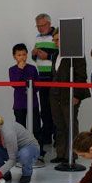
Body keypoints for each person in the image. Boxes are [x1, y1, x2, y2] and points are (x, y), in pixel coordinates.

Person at [49, 29, 90, 164]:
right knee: (59, 124)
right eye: (54, 40)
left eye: (58, 40)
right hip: (55, 95)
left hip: (70, 95)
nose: (55, 42)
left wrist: (77, 95)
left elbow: (81, 76)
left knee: (70, 124)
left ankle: (72, 155)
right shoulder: (55, 54)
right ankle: (61, 153)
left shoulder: (76, 54)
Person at [0, 114, 39, 183]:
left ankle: (27, 173)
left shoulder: (8, 132)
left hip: (30, 149)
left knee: (24, 154)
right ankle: (5, 175)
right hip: (12, 151)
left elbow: (13, 158)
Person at [8, 43, 41, 156]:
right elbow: (15, 84)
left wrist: (31, 90)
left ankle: (38, 152)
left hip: (33, 103)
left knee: (36, 128)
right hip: (19, 104)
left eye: (24, 54)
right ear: (14, 56)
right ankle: (22, 153)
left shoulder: (32, 68)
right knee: (20, 129)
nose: (22, 57)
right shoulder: (12, 70)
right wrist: (20, 69)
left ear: (27, 55)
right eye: (19, 55)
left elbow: (37, 85)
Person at [32, 13, 58, 152]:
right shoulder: (38, 37)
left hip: (54, 77)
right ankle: (46, 136)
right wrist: (34, 54)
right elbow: (35, 58)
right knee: (45, 109)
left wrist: (48, 56)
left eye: (42, 25)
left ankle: (58, 138)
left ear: (49, 23)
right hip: (41, 77)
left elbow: (61, 56)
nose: (40, 28)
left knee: (55, 109)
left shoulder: (56, 35)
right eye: (38, 26)